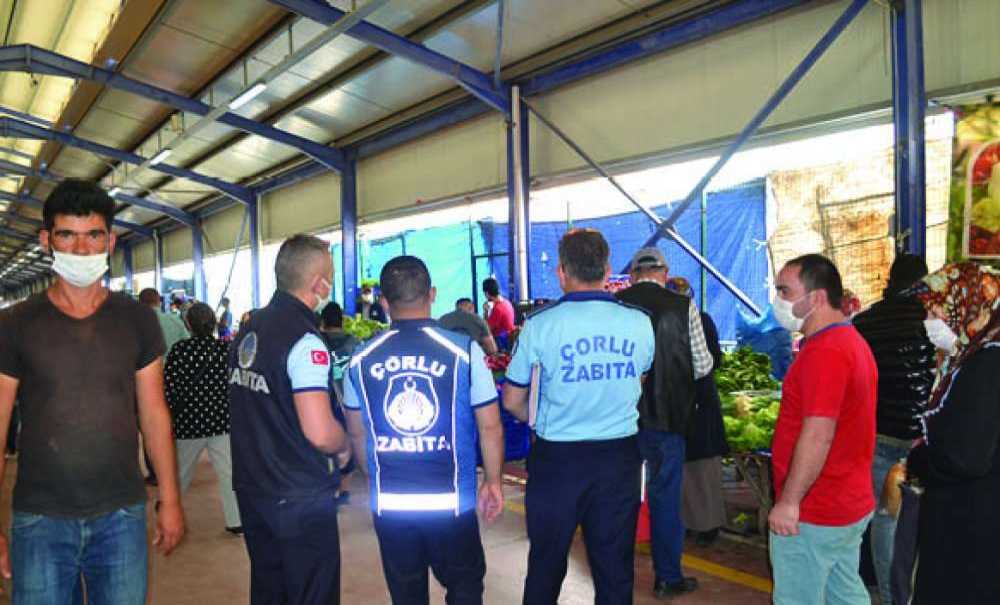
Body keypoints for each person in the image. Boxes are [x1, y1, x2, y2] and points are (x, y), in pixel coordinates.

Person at [0, 179, 185, 602]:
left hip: (121, 514)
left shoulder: (137, 319)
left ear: (110, 240)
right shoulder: (15, 324)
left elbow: (154, 413)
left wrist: (169, 499)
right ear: (46, 240)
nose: (81, 251)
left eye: (93, 236)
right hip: (40, 518)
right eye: (67, 235)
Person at [503, 228, 655, 604]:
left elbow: (511, 399)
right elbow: (641, 378)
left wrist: (534, 418)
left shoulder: (541, 325)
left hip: (558, 461)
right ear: (607, 270)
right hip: (619, 460)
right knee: (614, 567)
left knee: (546, 563)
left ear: (561, 272)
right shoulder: (638, 322)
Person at [343, 255, 505, 604]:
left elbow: (356, 433)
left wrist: (371, 474)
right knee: (464, 588)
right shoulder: (465, 352)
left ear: (384, 303)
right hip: (451, 503)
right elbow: (490, 426)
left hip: (391, 503)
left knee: (407, 594)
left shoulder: (359, 359)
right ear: (432, 294)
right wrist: (493, 481)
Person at [228, 234, 349, 604]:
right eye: (329, 274)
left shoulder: (249, 327)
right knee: (312, 591)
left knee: (269, 588)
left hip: (253, 487)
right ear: (319, 284)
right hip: (298, 493)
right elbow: (318, 430)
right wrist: (343, 446)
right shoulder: (305, 340)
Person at [768, 253, 877, 604]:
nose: (778, 300)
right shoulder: (851, 341)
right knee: (844, 593)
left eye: (785, 291)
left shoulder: (826, 352)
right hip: (846, 502)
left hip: (815, 510)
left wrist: (789, 501)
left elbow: (818, 434)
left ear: (815, 298)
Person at [615, 250, 714, 598]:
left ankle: (615, 576)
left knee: (621, 499)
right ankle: (667, 577)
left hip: (622, 420)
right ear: (664, 271)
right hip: (669, 418)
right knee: (665, 500)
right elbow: (702, 365)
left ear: (632, 274)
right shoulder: (682, 306)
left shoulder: (616, 305)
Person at [904, 262, 1000, 605]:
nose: (930, 319)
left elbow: (967, 456)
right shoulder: (972, 357)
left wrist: (921, 458)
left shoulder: (987, 364)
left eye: (938, 309)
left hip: (972, 524)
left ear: (969, 305)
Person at [852, 253, 936, 605]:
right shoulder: (934, 320)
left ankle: (890, 598)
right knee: (926, 519)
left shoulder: (864, 322)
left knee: (883, 518)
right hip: (923, 440)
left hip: (879, 434)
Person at [164, 302, 242, 535]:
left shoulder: (179, 351)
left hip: (188, 422)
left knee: (180, 471)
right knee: (228, 473)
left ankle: (169, 509)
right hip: (221, 420)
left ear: (188, 324)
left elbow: (169, 388)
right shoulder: (226, 350)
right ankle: (235, 520)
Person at [665, 276, 729, 547]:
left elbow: (712, 359)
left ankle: (708, 524)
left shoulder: (701, 321)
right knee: (690, 470)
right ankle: (694, 522)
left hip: (699, 402)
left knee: (702, 470)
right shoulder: (678, 320)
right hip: (685, 404)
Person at [139, 287, 190, 353]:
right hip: (172, 362)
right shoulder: (175, 320)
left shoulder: (132, 324)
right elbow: (187, 343)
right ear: (159, 302)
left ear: (139, 303)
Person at [482, 277, 515, 346]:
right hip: (508, 337)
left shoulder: (498, 309)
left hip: (501, 341)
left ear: (487, 294)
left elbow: (486, 329)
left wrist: (485, 311)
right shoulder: (506, 302)